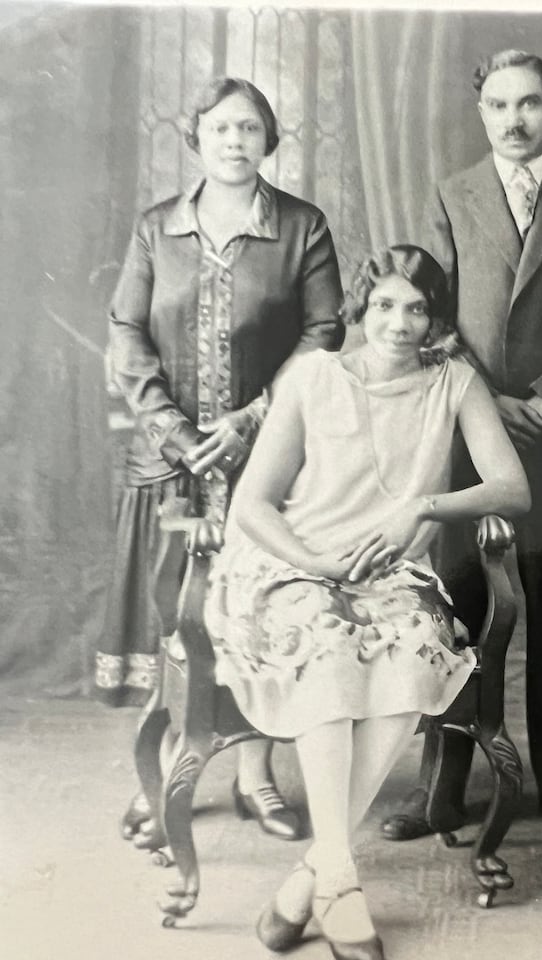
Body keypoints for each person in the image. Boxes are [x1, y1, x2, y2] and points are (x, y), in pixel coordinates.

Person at [204, 245, 530, 958]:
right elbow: (253, 507)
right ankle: (340, 880)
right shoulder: (313, 377)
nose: (400, 321)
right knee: (327, 649)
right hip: (291, 564)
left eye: (417, 308)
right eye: (384, 304)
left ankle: (316, 876)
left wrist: (424, 505)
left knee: (418, 655)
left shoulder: (453, 382)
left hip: (389, 578)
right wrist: (315, 562)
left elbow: (513, 489)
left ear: (436, 317)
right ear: (360, 307)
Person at [381, 48, 542, 841]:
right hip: (469, 427)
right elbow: (433, 313)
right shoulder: (452, 195)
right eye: (498, 105)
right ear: (481, 113)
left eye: (530, 103)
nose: (515, 119)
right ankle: (444, 784)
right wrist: (488, 399)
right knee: (458, 599)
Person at [103, 76, 343, 844]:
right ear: (196, 138)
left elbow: (325, 333)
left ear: (269, 140)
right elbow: (127, 335)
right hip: (169, 466)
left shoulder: (302, 227)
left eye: (249, 128)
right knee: (174, 622)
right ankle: (164, 771)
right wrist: (175, 432)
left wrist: (253, 421)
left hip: (266, 464)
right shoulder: (156, 229)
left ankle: (256, 778)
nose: (234, 141)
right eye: (220, 128)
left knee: (264, 614)